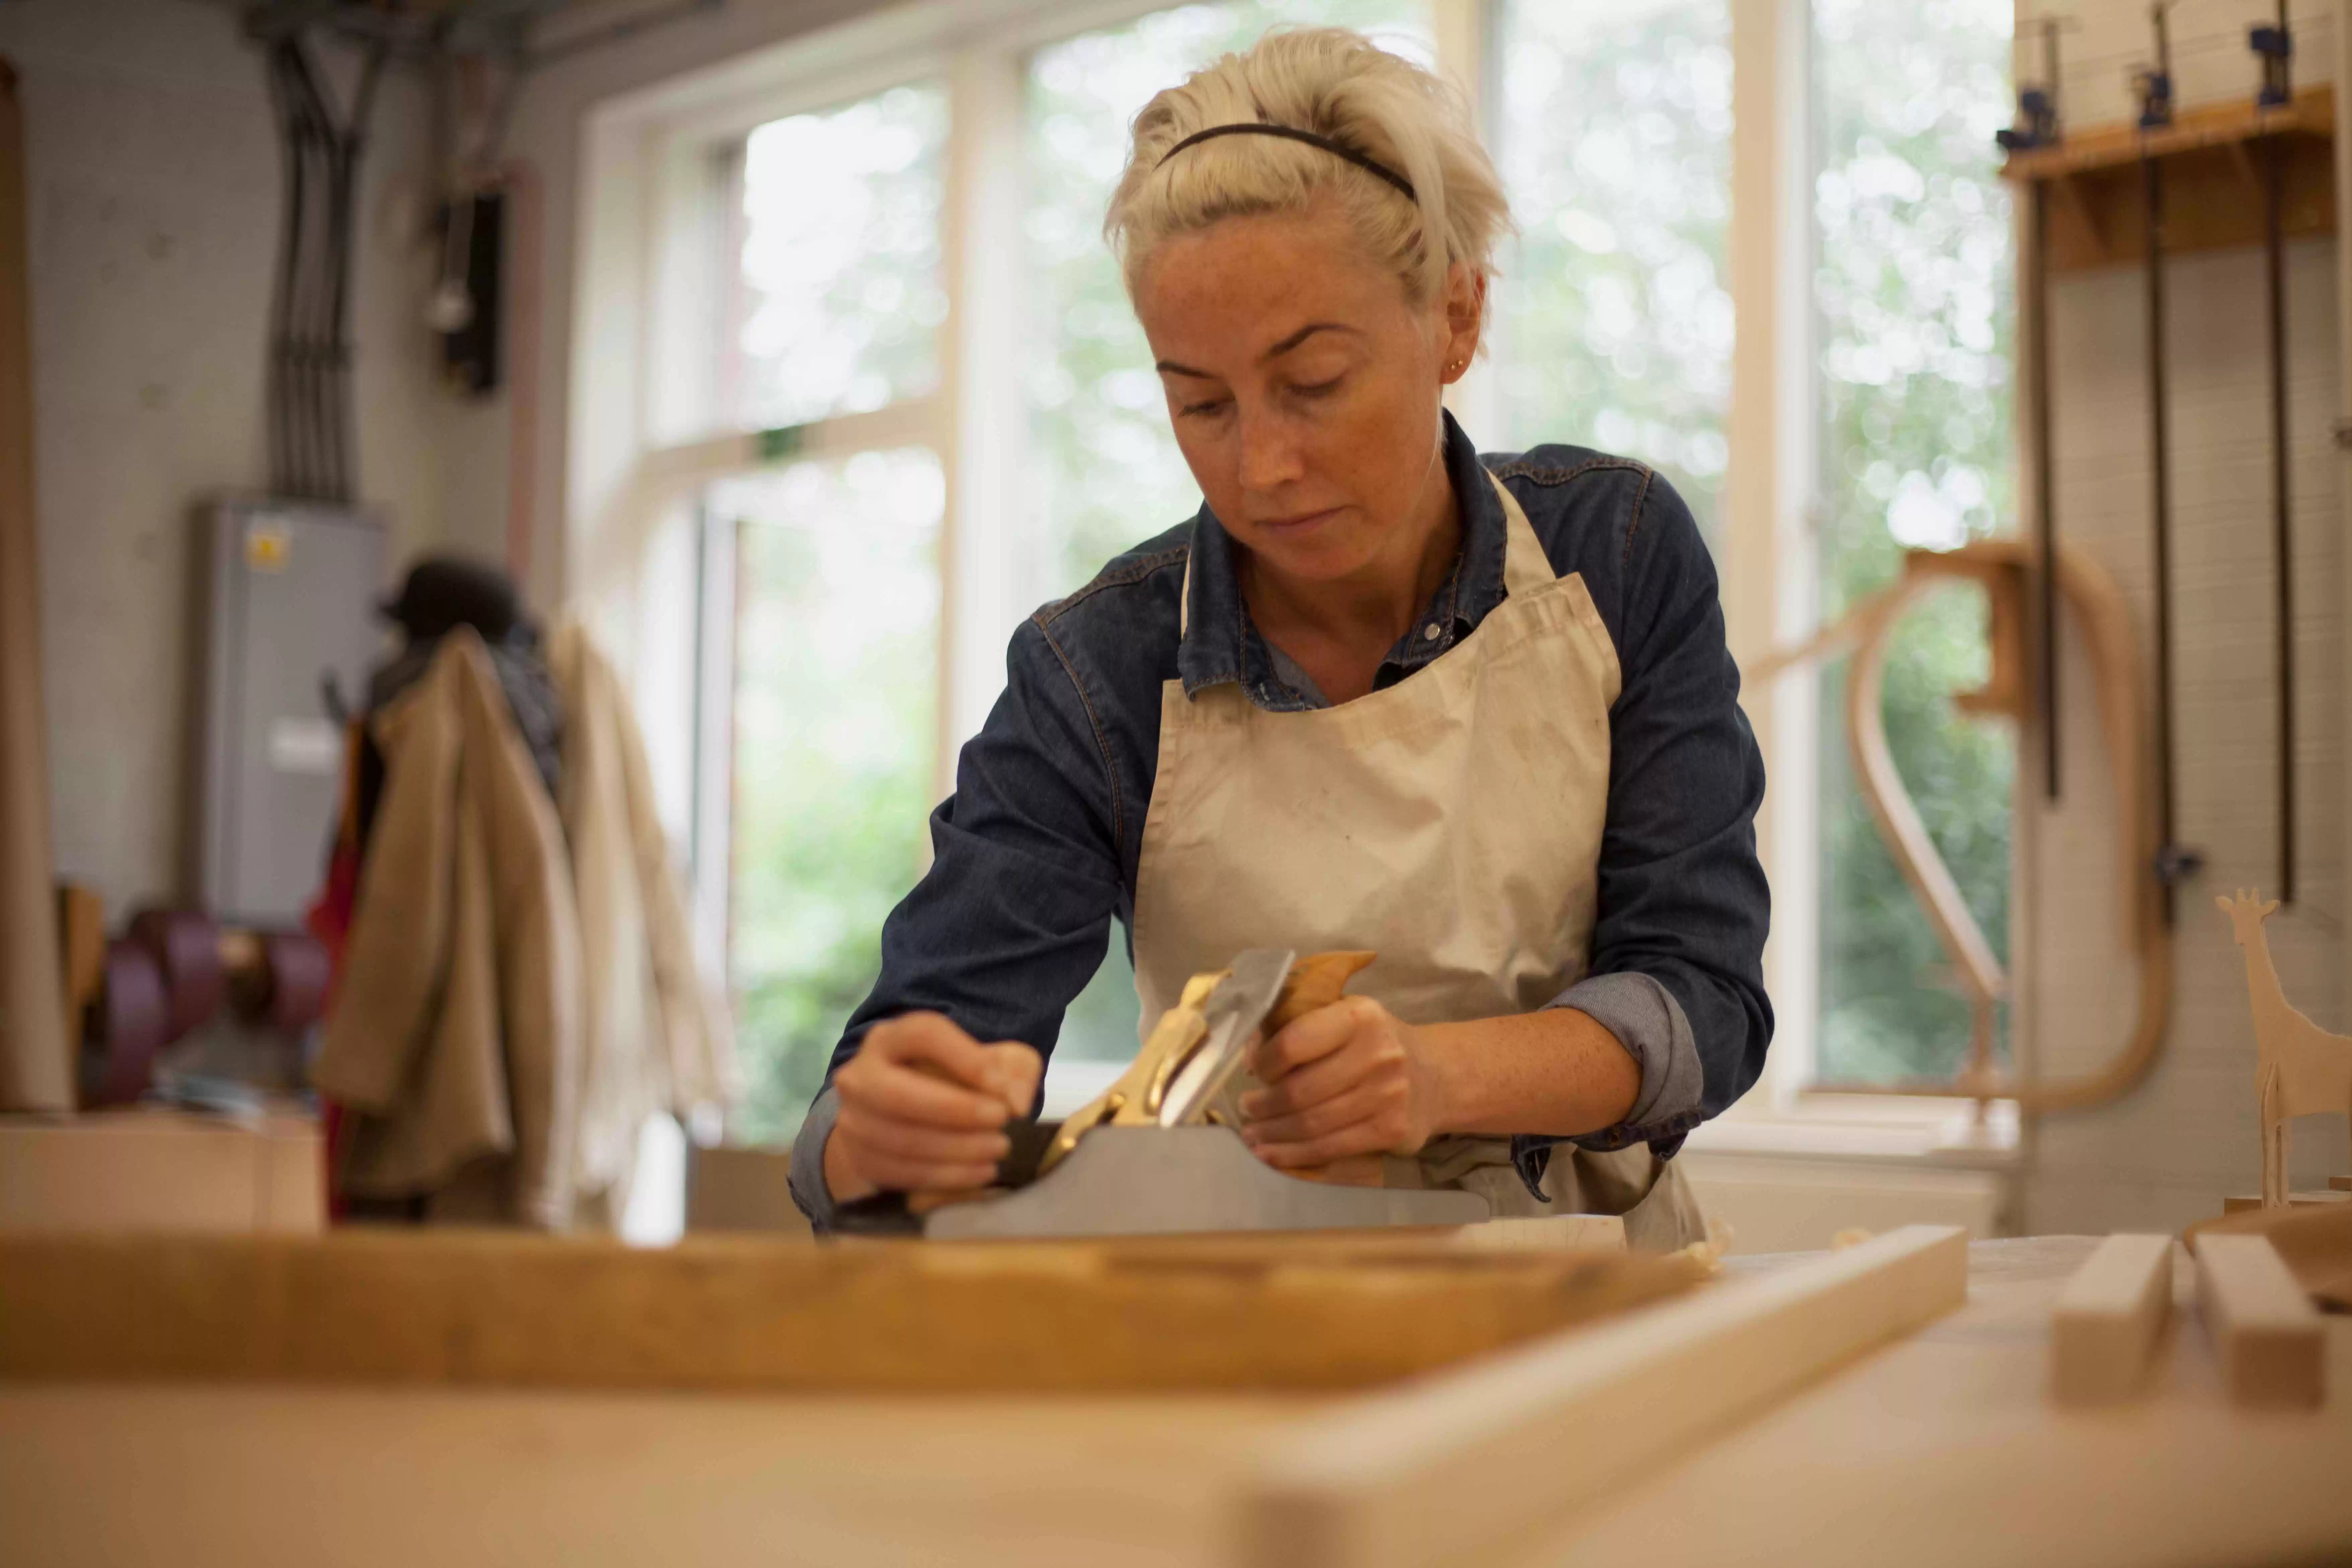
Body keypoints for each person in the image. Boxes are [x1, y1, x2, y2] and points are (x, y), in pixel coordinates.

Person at [787, 26, 1769, 1249]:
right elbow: (889, 1078)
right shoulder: (1096, 672)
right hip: (1246, 1308)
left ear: (1453, 319)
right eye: (1199, 401)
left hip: (1594, 1290)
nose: (1261, 466)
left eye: (1311, 382)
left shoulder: (1613, 554)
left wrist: (1440, 1077)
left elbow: (1705, 1003)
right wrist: (877, 1138)